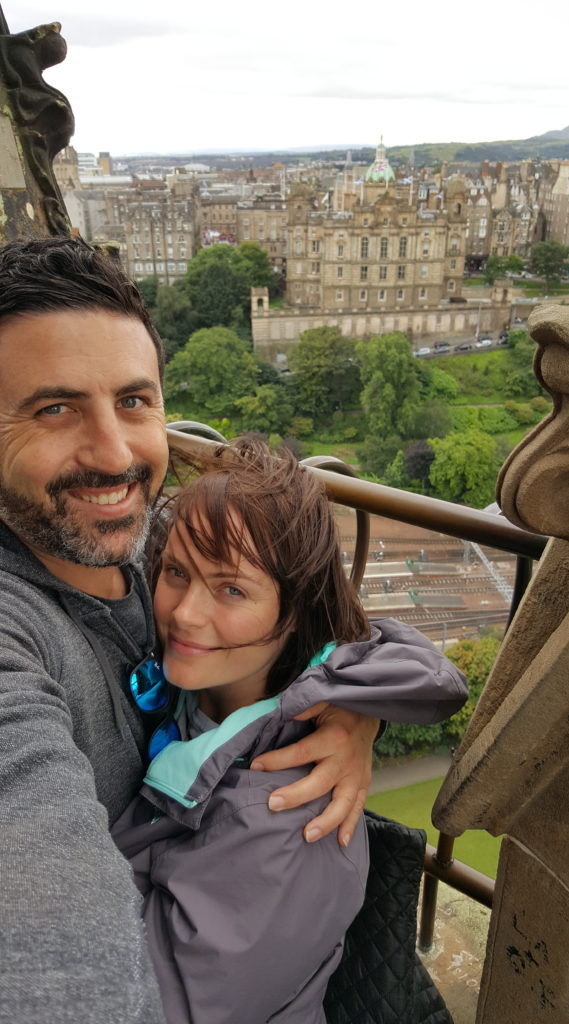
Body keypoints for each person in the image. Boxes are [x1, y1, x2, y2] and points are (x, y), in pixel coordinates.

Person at [0, 237, 379, 1024]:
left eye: (135, 401)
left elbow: (338, 615)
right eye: (54, 408)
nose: (116, 455)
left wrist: (354, 701)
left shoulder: (148, 543)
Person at [112, 440, 468, 1024]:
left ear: (296, 611)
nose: (184, 614)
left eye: (232, 590)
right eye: (176, 572)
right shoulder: (211, 684)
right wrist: (356, 709)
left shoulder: (285, 816)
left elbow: (151, 1006)